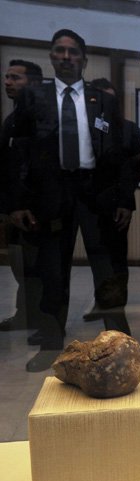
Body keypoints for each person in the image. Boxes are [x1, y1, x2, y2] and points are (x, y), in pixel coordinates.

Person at [7, 29, 126, 372]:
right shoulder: (34, 98)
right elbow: (19, 153)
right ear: (51, 57)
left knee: (106, 268)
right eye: (59, 51)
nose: (65, 57)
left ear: (83, 59)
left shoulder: (101, 100)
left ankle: (117, 336)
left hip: (94, 193)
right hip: (52, 194)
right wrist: (17, 202)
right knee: (53, 270)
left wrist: (121, 198)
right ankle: (50, 342)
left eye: (72, 52)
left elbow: (116, 152)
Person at [80, 78, 140, 335]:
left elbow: (133, 170)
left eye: (110, 98)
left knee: (115, 264)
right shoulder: (81, 129)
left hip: (115, 206)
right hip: (84, 205)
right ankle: (102, 305)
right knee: (98, 263)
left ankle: (117, 321)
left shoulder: (128, 130)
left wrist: (125, 202)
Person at [1, 59, 44, 333]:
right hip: (13, 205)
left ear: (33, 83)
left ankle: (39, 318)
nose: (8, 82)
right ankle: (25, 314)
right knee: (21, 266)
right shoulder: (13, 118)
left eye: (16, 78)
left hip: (31, 207)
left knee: (35, 266)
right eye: (7, 77)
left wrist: (22, 205)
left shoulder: (38, 118)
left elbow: (34, 167)